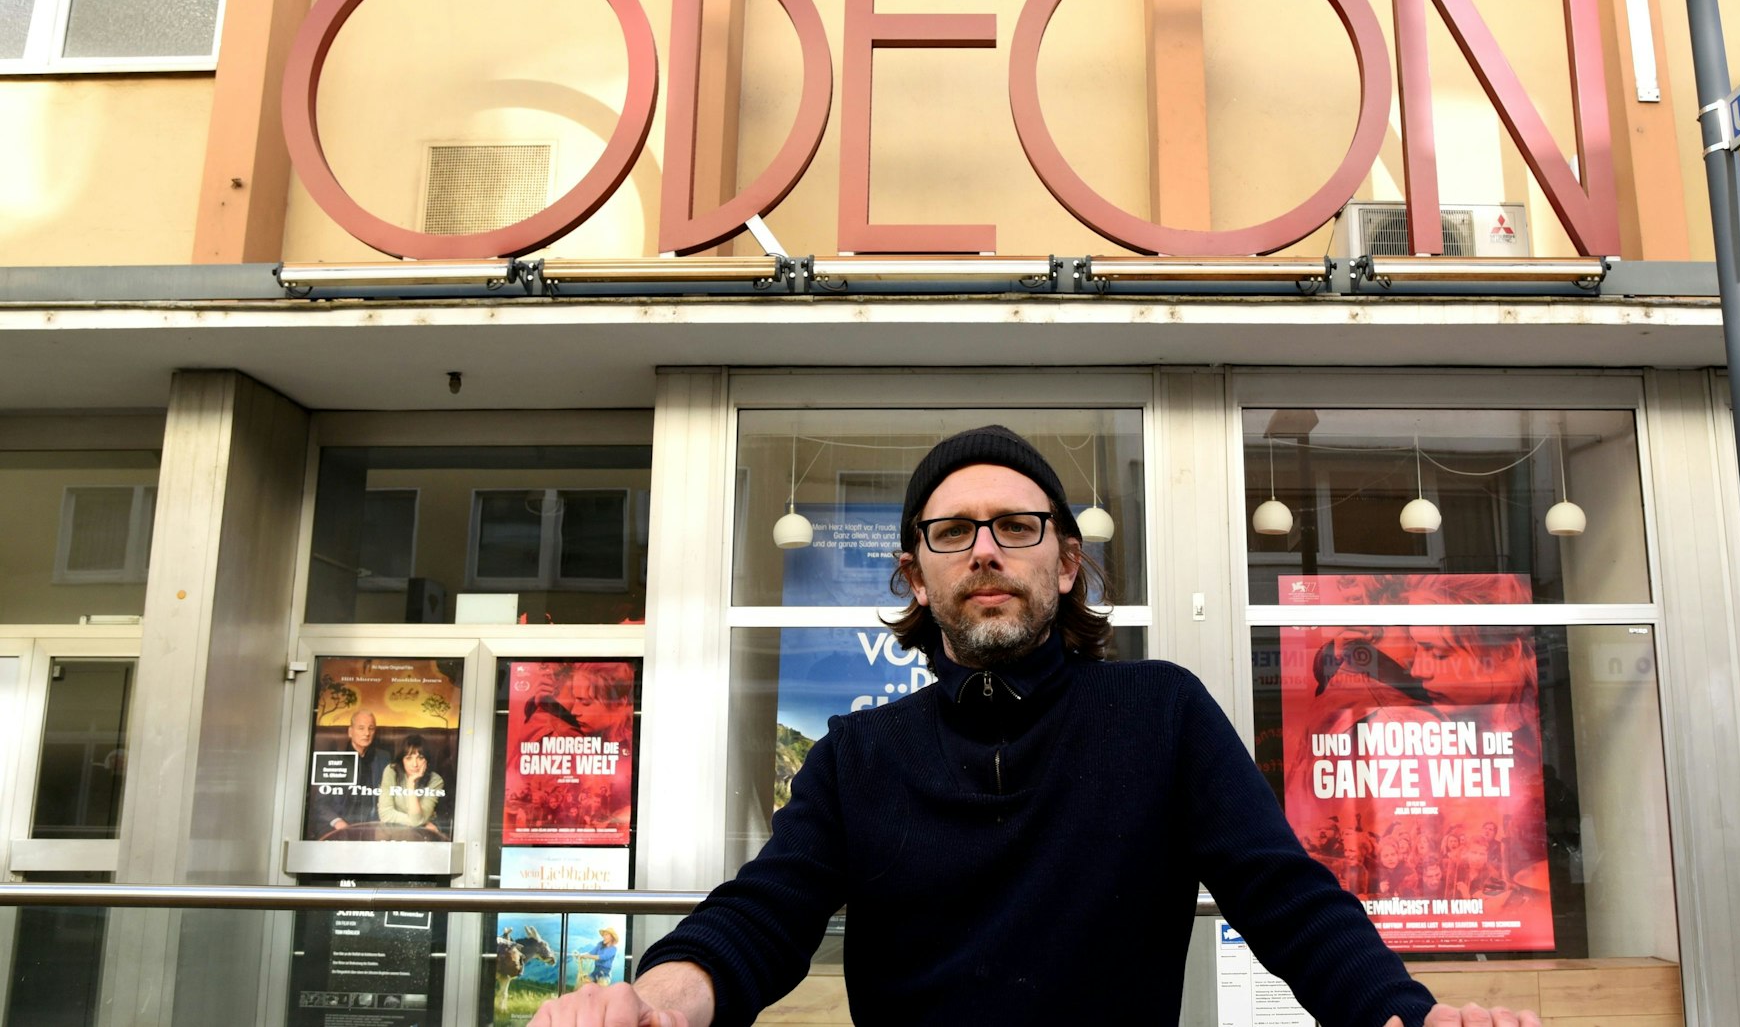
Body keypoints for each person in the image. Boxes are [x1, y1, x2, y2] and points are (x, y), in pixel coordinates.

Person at [530, 426, 1541, 1027]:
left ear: (1064, 563)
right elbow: (763, 914)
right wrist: (659, 1001)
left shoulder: (1160, 715)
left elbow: (1288, 902)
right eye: (950, 532)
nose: (983, 550)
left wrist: (1404, 1014)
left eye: (1016, 527)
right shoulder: (858, 759)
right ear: (914, 579)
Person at [313, 709, 389, 836]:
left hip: (373, 825)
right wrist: (338, 822)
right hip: (338, 824)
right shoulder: (333, 759)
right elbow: (321, 804)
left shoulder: (384, 758)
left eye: (371, 728)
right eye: (361, 728)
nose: (367, 733)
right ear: (350, 732)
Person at [377, 733, 446, 835]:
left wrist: (411, 784)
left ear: (426, 760)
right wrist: (418, 823)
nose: (415, 764)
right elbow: (385, 814)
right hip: (393, 832)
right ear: (402, 760)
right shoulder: (391, 771)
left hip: (422, 835)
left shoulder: (435, 780)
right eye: (409, 758)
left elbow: (417, 818)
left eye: (420, 757)